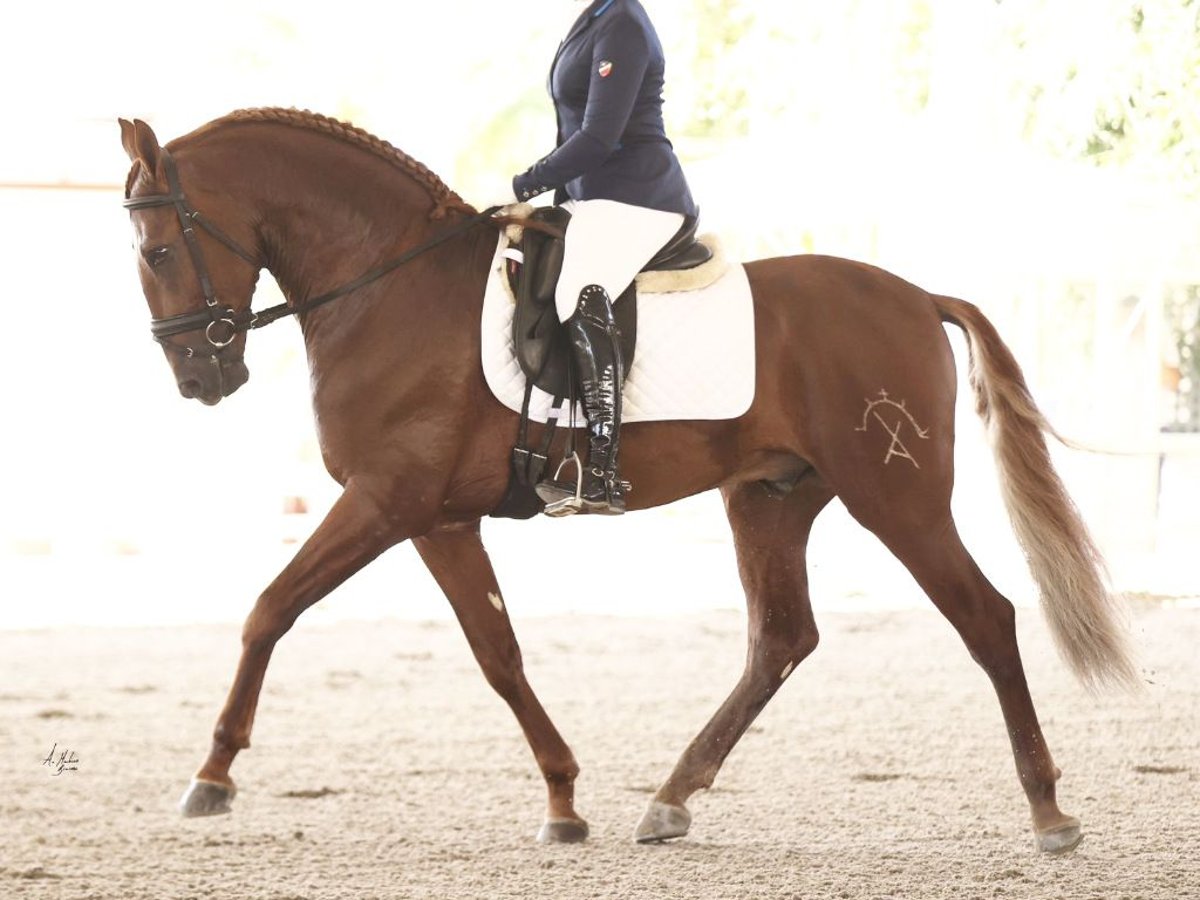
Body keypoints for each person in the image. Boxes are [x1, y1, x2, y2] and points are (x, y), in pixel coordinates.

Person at [511, 0, 698, 516]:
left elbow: (598, 136)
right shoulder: (595, 17)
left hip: (638, 197)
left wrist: (527, 181)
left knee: (579, 290)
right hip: (591, 198)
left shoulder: (623, 24)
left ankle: (602, 470)